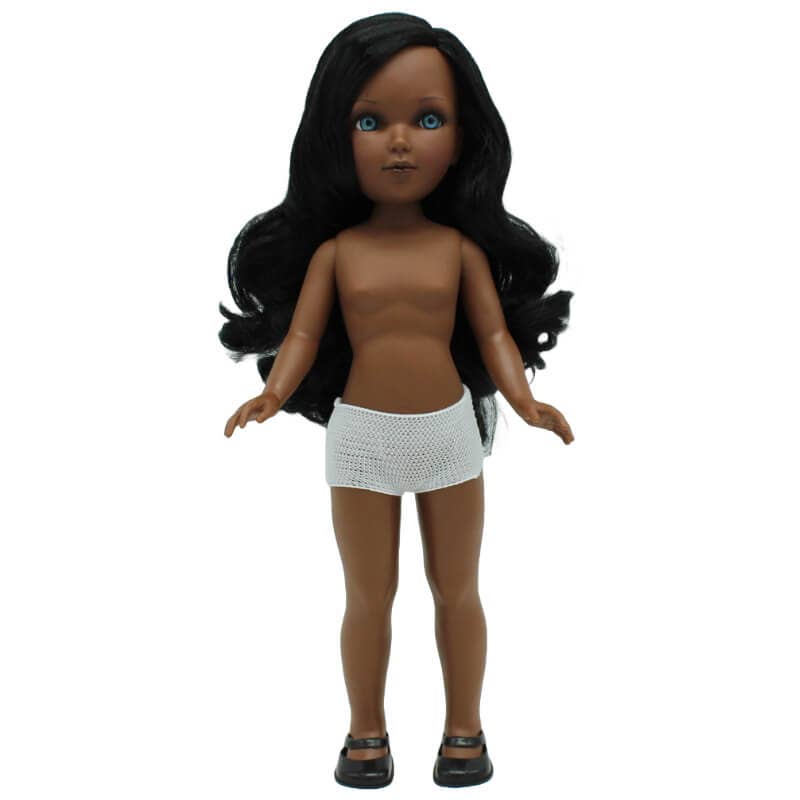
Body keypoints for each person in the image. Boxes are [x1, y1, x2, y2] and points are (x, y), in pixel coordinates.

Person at [219, 12, 575, 788]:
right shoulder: (337, 253)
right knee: (367, 596)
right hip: (360, 438)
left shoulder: (460, 250)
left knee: (458, 590)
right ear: (335, 136)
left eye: (429, 120)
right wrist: (273, 393)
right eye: (371, 121)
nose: (401, 142)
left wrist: (525, 402)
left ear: (462, 136)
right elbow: (304, 335)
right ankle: (366, 734)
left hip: (448, 432)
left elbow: (492, 335)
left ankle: (464, 730)